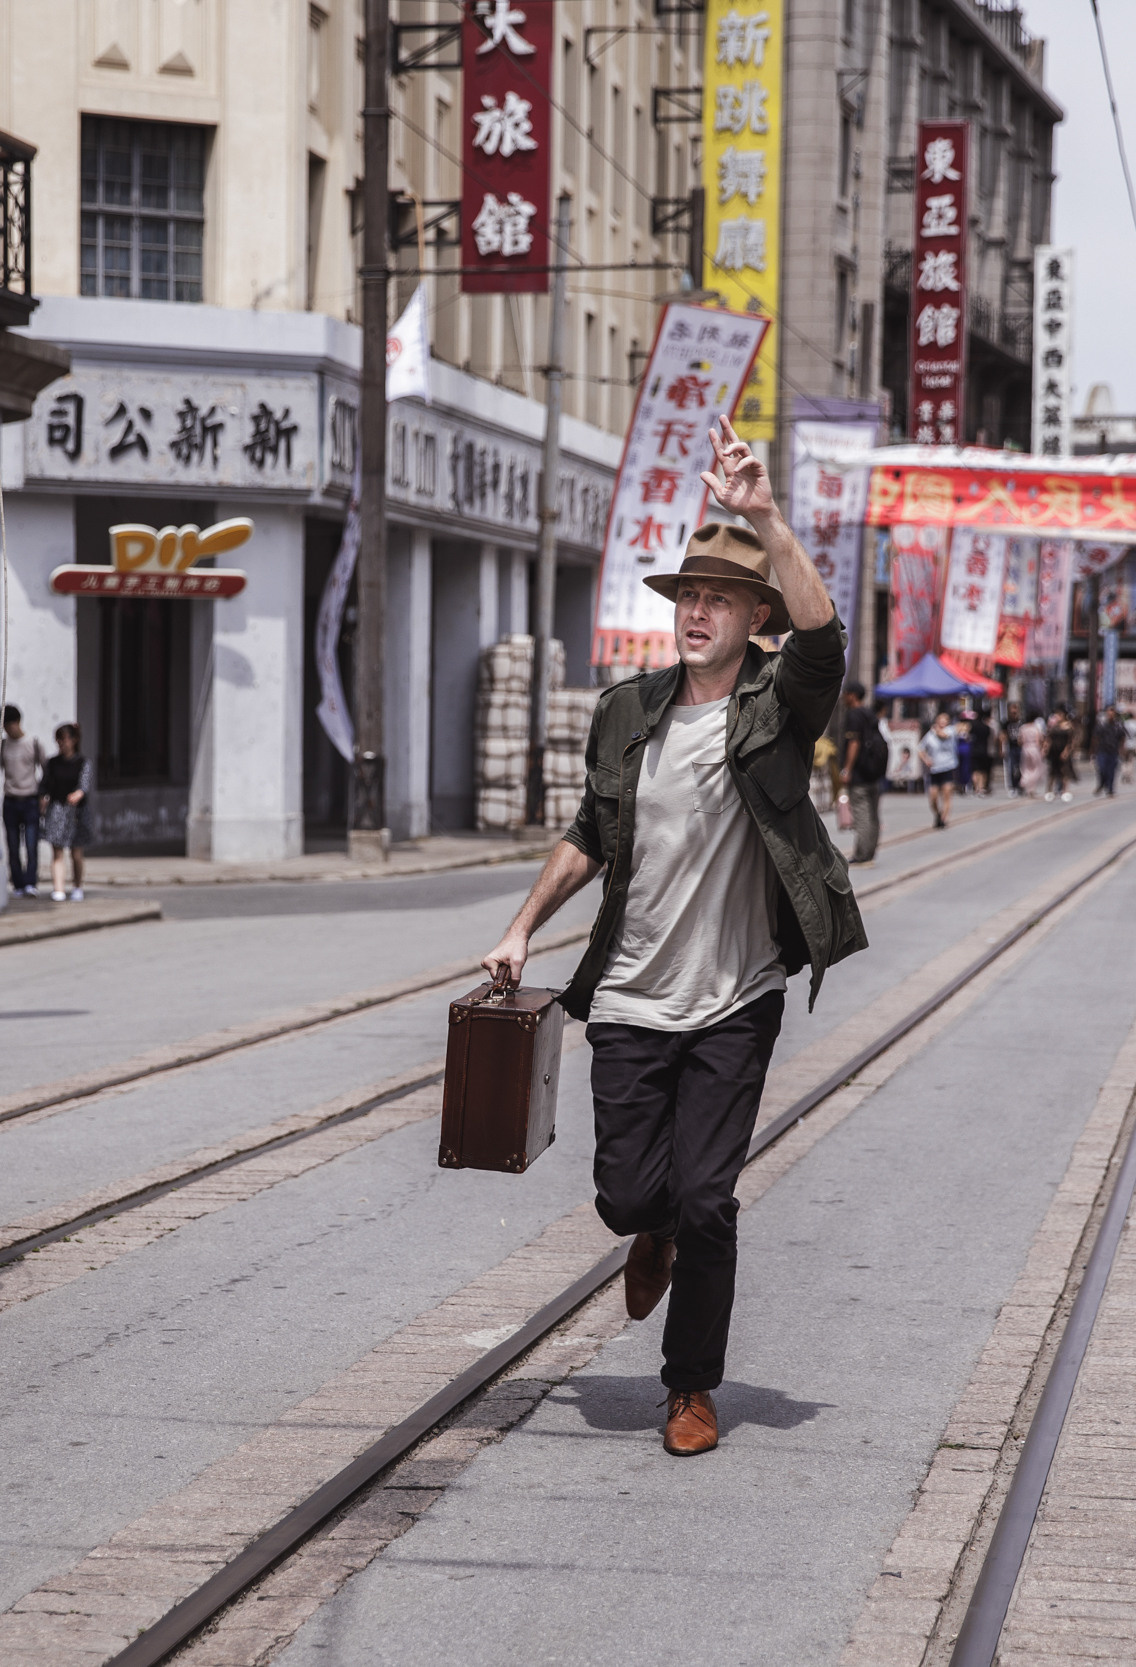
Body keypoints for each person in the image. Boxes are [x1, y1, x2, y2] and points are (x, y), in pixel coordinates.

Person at [479, 416, 862, 1459]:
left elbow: (826, 642)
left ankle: (690, 1386)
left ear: (754, 618)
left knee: (709, 1198)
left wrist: (767, 517)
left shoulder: (777, 708)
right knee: (628, 1195)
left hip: (735, 996)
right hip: (633, 995)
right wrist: (520, 927)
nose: (697, 610)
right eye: (687, 595)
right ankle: (649, 1231)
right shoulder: (627, 710)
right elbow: (588, 835)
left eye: (719, 598)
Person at [39, 723, 95, 897]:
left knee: (76, 852)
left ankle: (77, 886)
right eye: (59, 739)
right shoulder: (52, 762)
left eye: (65, 739)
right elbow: (45, 785)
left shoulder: (82, 762)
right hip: (57, 810)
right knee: (57, 851)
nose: (62, 743)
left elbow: (84, 785)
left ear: (74, 740)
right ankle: (59, 889)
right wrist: (42, 800)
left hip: (77, 812)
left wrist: (78, 794)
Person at [0, 705, 46, 897]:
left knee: (32, 844)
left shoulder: (32, 743)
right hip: (10, 800)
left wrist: (43, 796)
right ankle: (17, 884)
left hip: (30, 800)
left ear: (17, 722)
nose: (8, 730)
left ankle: (30, 883)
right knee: (12, 844)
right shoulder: (3, 745)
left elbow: (46, 769)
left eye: (9, 725)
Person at [839, 684, 888, 866]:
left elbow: (854, 743)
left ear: (852, 695)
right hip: (873, 773)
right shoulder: (870, 714)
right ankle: (870, 851)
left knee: (862, 815)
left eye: (845, 694)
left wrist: (847, 770)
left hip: (859, 773)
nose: (843, 697)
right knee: (873, 814)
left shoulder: (853, 714)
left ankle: (862, 854)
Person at [921, 707, 961, 828]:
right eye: (940, 720)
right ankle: (937, 814)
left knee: (947, 793)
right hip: (934, 769)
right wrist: (926, 759)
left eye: (945, 720)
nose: (942, 722)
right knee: (933, 796)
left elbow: (944, 735)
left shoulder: (951, 730)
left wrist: (935, 730)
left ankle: (944, 818)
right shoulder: (930, 735)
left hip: (948, 766)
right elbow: (920, 749)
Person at [1092, 704, 1126, 797]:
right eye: (1109, 711)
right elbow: (1095, 738)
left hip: (1113, 751)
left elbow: (1122, 738)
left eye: (1112, 711)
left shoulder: (1118, 725)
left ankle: (1110, 789)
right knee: (1102, 769)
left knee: (1111, 771)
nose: (1110, 713)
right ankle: (1102, 783)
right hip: (1102, 750)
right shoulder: (1102, 725)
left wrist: (1122, 750)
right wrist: (1093, 751)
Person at [1044, 706, 1078, 799]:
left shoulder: (1069, 726)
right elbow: (1048, 738)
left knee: (1064, 771)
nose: (1057, 717)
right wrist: (1045, 748)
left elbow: (1071, 741)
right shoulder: (1054, 727)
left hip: (1063, 751)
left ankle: (1064, 790)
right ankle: (1049, 790)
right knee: (1052, 771)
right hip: (1054, 751)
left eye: (1059, 715)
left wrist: (1067, 751)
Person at [966, 705, 995, 796]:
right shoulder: (986, 727)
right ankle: (982, 788)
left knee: (975, 770)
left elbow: (967, 737)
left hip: (974, 750)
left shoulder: (972, 726)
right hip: (984, 750)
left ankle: (976, 788)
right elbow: (991, 738)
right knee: (983, 770)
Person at [1019, 708, 1047, 800]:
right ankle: (1031, 788)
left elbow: (1020, 740)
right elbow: (1040, 739)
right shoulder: (1036, 727)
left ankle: (1026, 784)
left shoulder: (1023, 728)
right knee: (1036, 768)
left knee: (1026, 768)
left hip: (1025, 749)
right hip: (1034, 748)